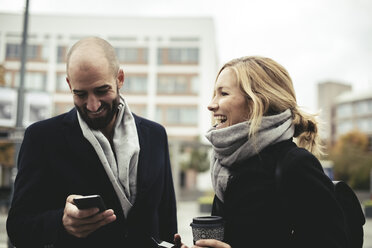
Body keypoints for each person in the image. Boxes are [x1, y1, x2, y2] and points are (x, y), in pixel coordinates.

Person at [7, 37, 177, 248]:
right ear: (69, 84)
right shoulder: (42, 139)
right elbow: (17, 227)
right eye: (80, 94)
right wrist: (61, 222)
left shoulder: (155, 135)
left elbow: (167, 221)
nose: (93, 105)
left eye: (101, 90)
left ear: (120, 79)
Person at [176, 56, 349, 248]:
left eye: (223, 94)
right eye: (214, 94)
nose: (211, 104)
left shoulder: (295, 164)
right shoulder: (225, 166)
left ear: (258, 102)